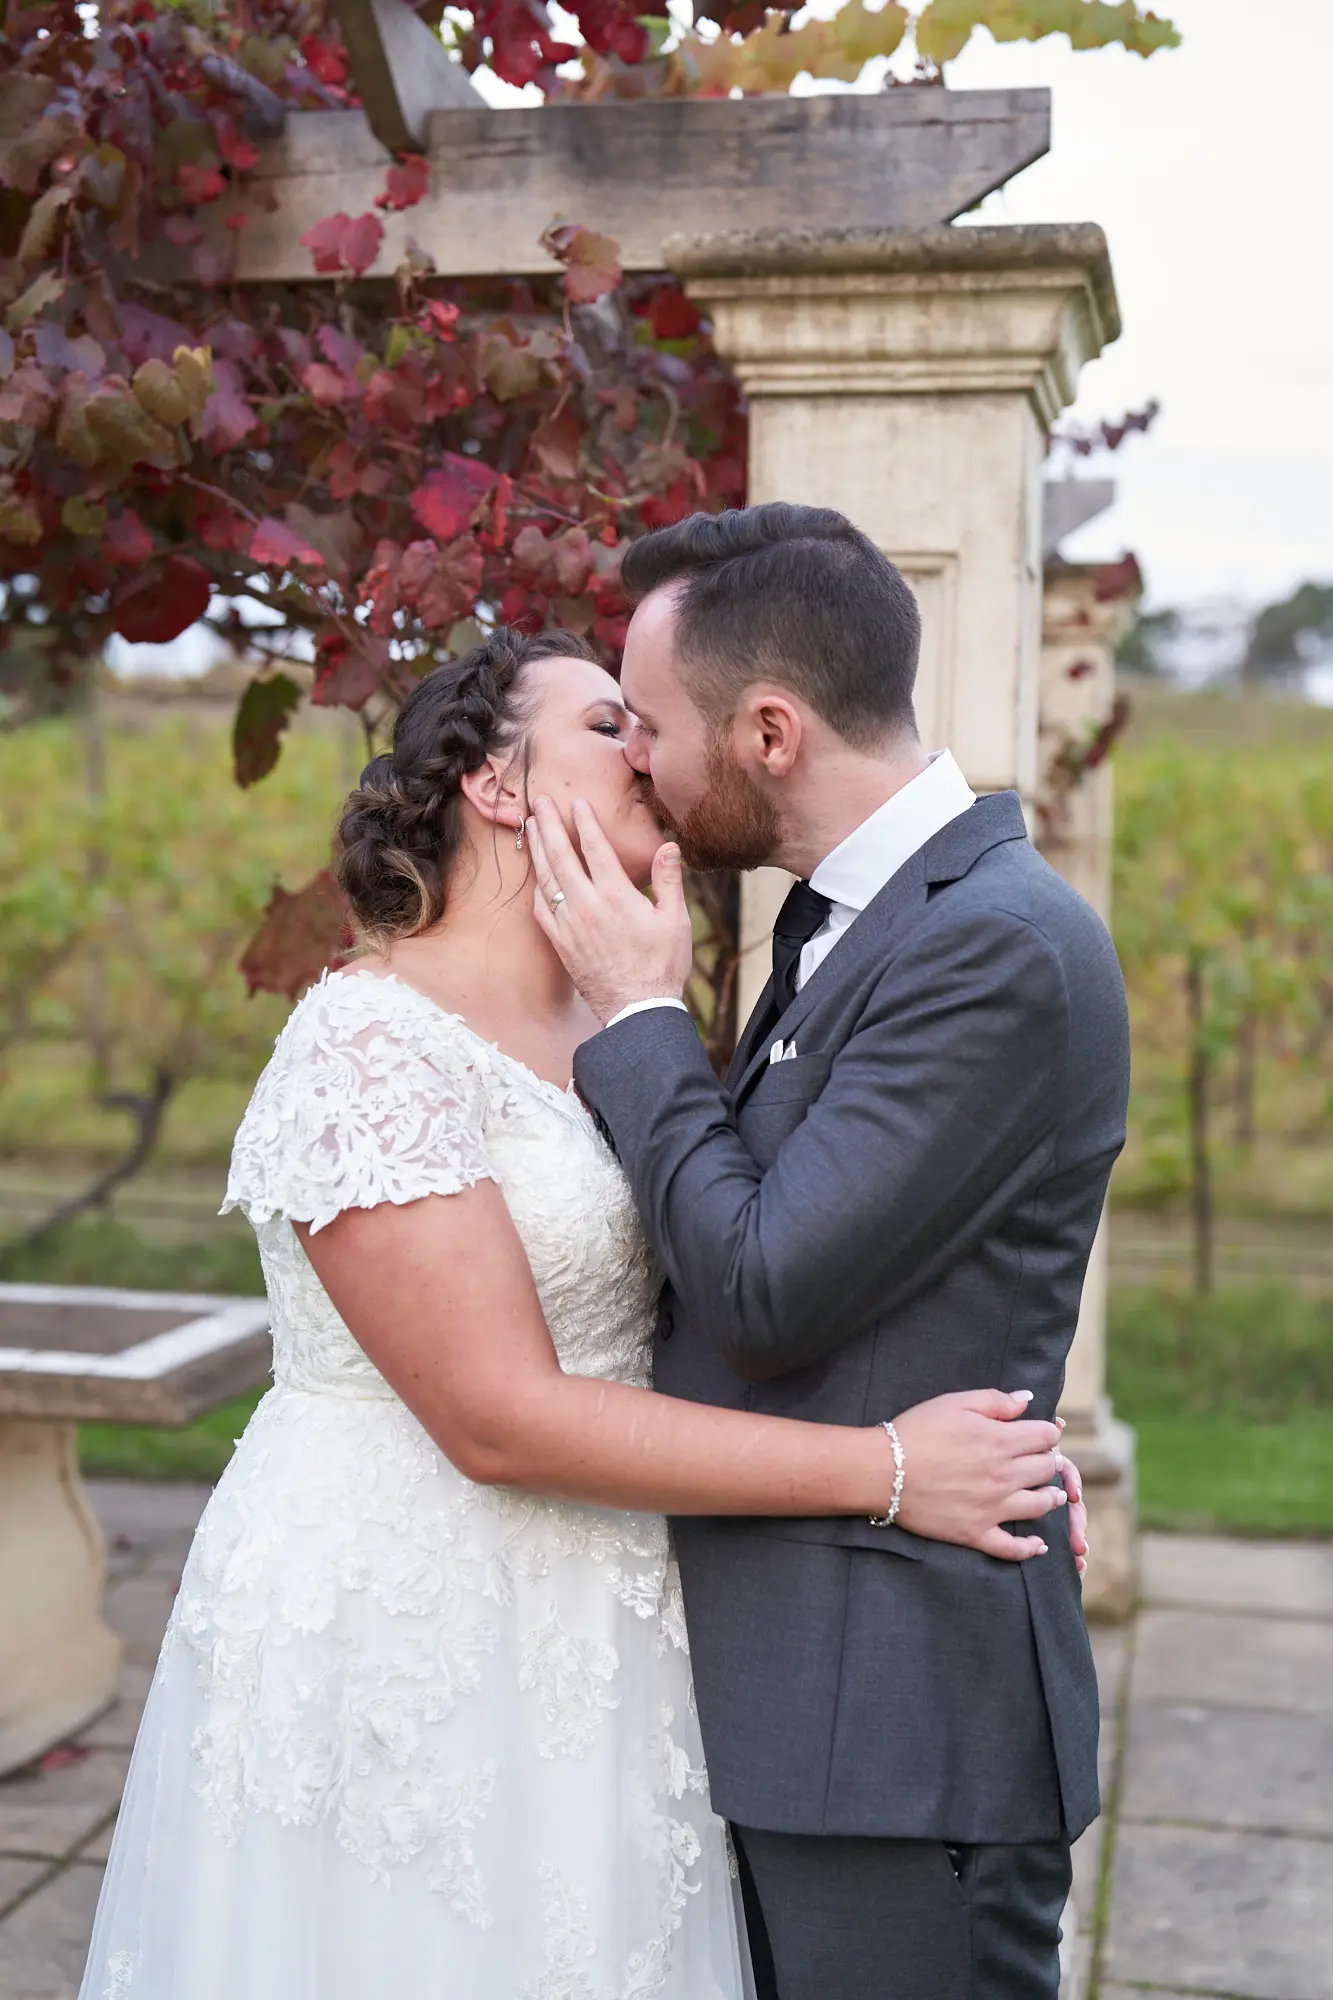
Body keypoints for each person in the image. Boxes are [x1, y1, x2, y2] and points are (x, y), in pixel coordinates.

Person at [79, 626, 1083, 2000]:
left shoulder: (621, 1028)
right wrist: (893, 1470)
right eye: (611, 723)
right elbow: (497, 1420)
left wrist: (991, 1430)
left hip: (614, 1625)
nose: (652, 751)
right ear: (497, 786)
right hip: (410, 1617)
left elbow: (743, 1279)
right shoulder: (365, 1043)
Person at [526, 504, 1131, 2000]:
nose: (641, 763)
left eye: (652, 723)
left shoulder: (995, 945)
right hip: (802, 1707)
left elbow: (765, 1289)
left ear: (774, 731)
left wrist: (643, 1016)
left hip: (898, 1731)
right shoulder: (853, 925)